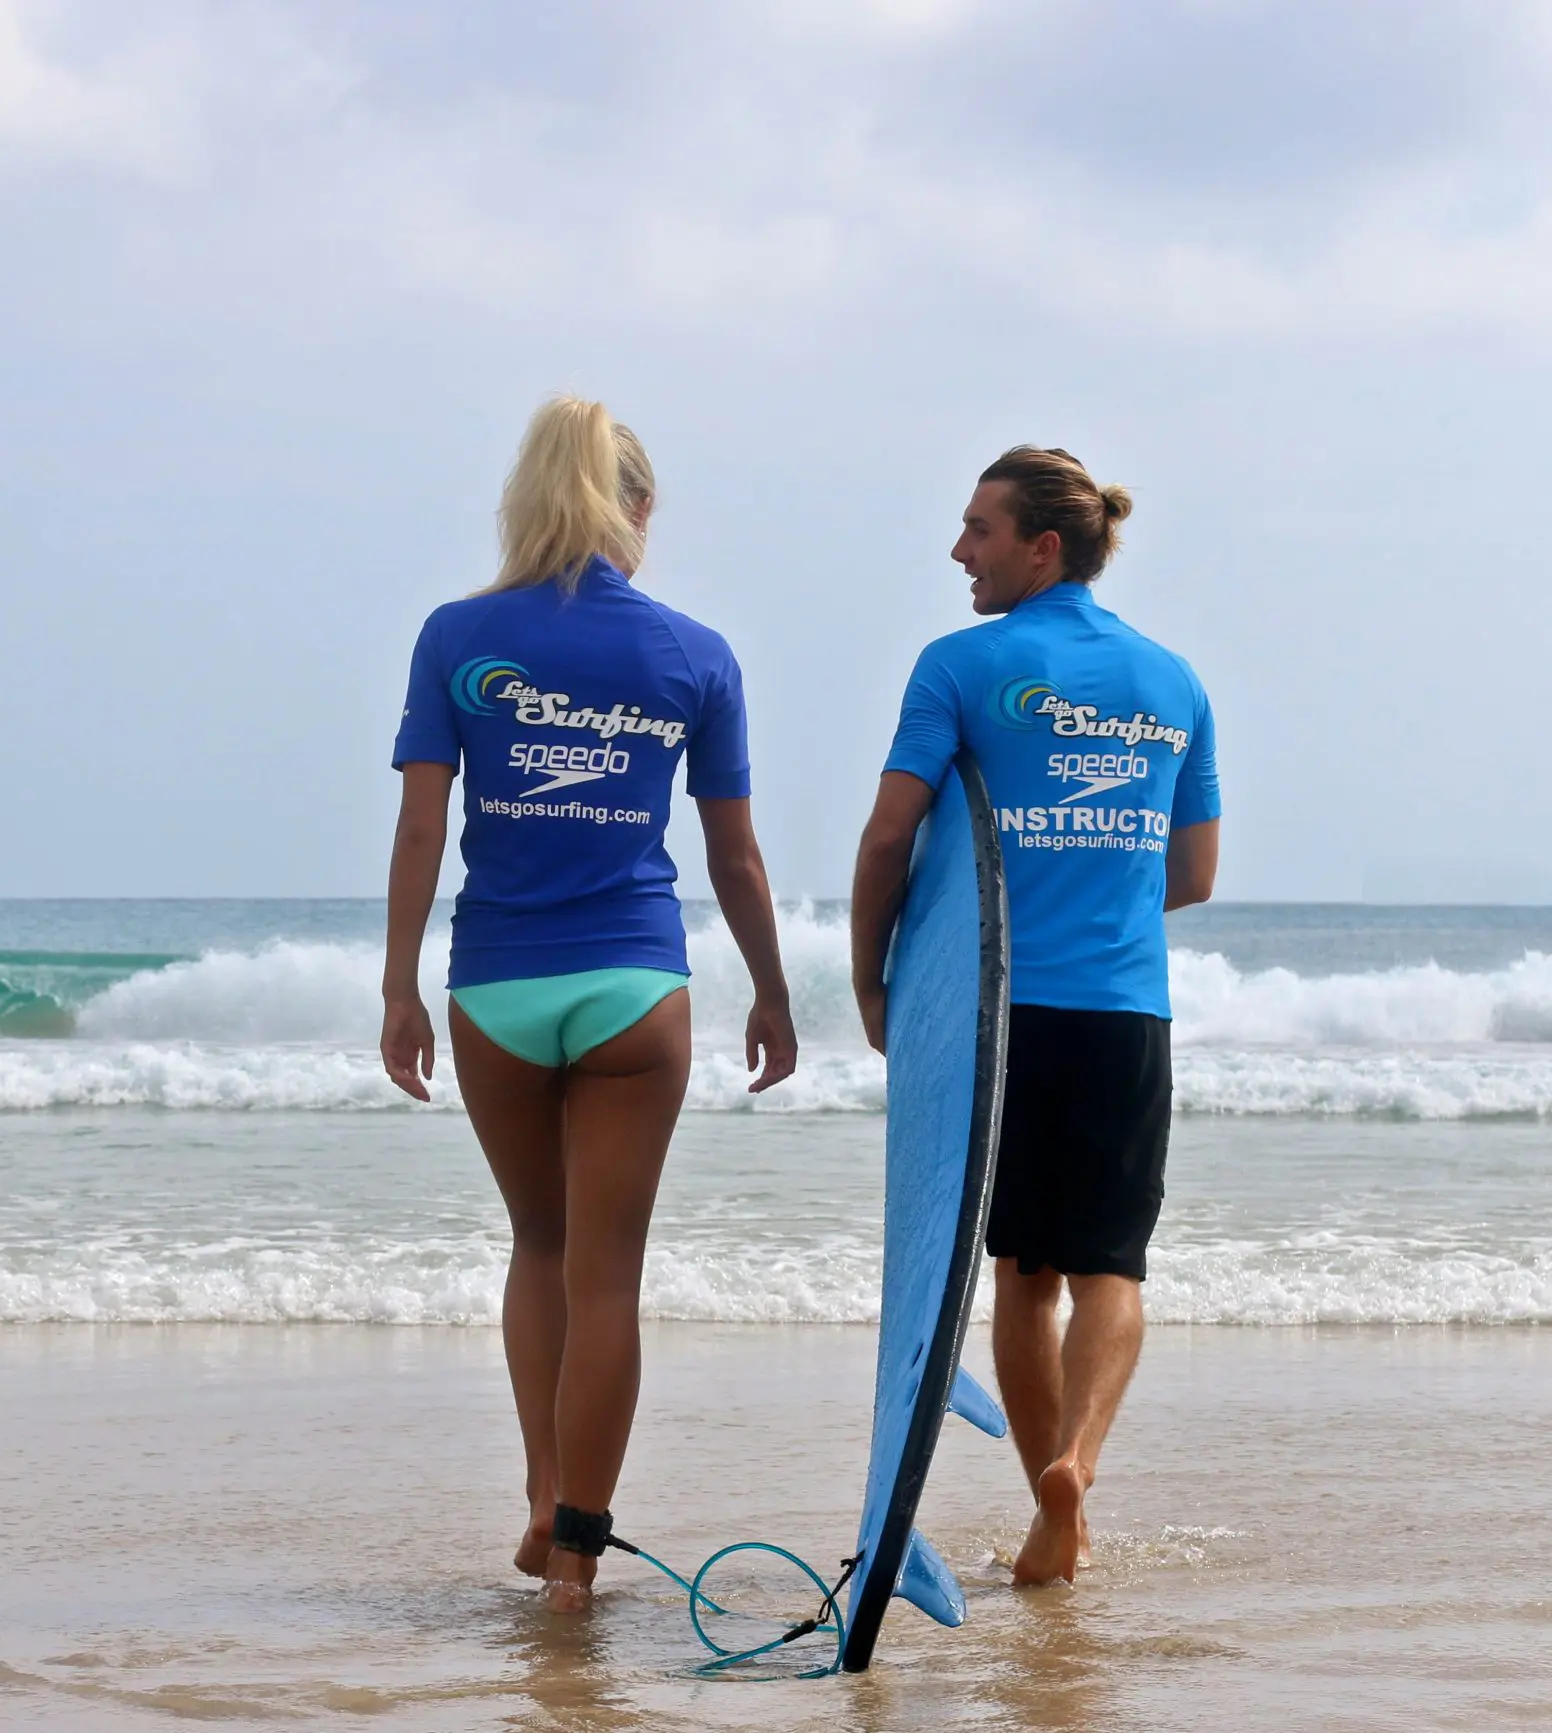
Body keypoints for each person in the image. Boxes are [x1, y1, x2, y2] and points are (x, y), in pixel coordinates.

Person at [379, 395, 799, 1614]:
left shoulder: (456, 634)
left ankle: (538, 1494)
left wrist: (399, 982)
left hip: (495, 983)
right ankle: (575, 1554)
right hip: (630, 986)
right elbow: (736, 858)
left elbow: (421, 822)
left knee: (540, 1246)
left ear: (527, 495)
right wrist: (771, 990)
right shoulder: (694, 652)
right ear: (640, 508)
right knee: (607, 1271)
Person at [847, 445, 1219, 1588]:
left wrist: (871, 982)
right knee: (1112, 1265)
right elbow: (1192, 874)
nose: (958, 550)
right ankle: (1077, 1466)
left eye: (977, 529)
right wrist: (1092, 883)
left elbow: (888, 838)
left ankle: (1046, 1501)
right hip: (1121, 1009)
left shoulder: (960, 664)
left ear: (1040, 545)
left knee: (1020, 1275)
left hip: (995, 1018)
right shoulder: (1173, 682)